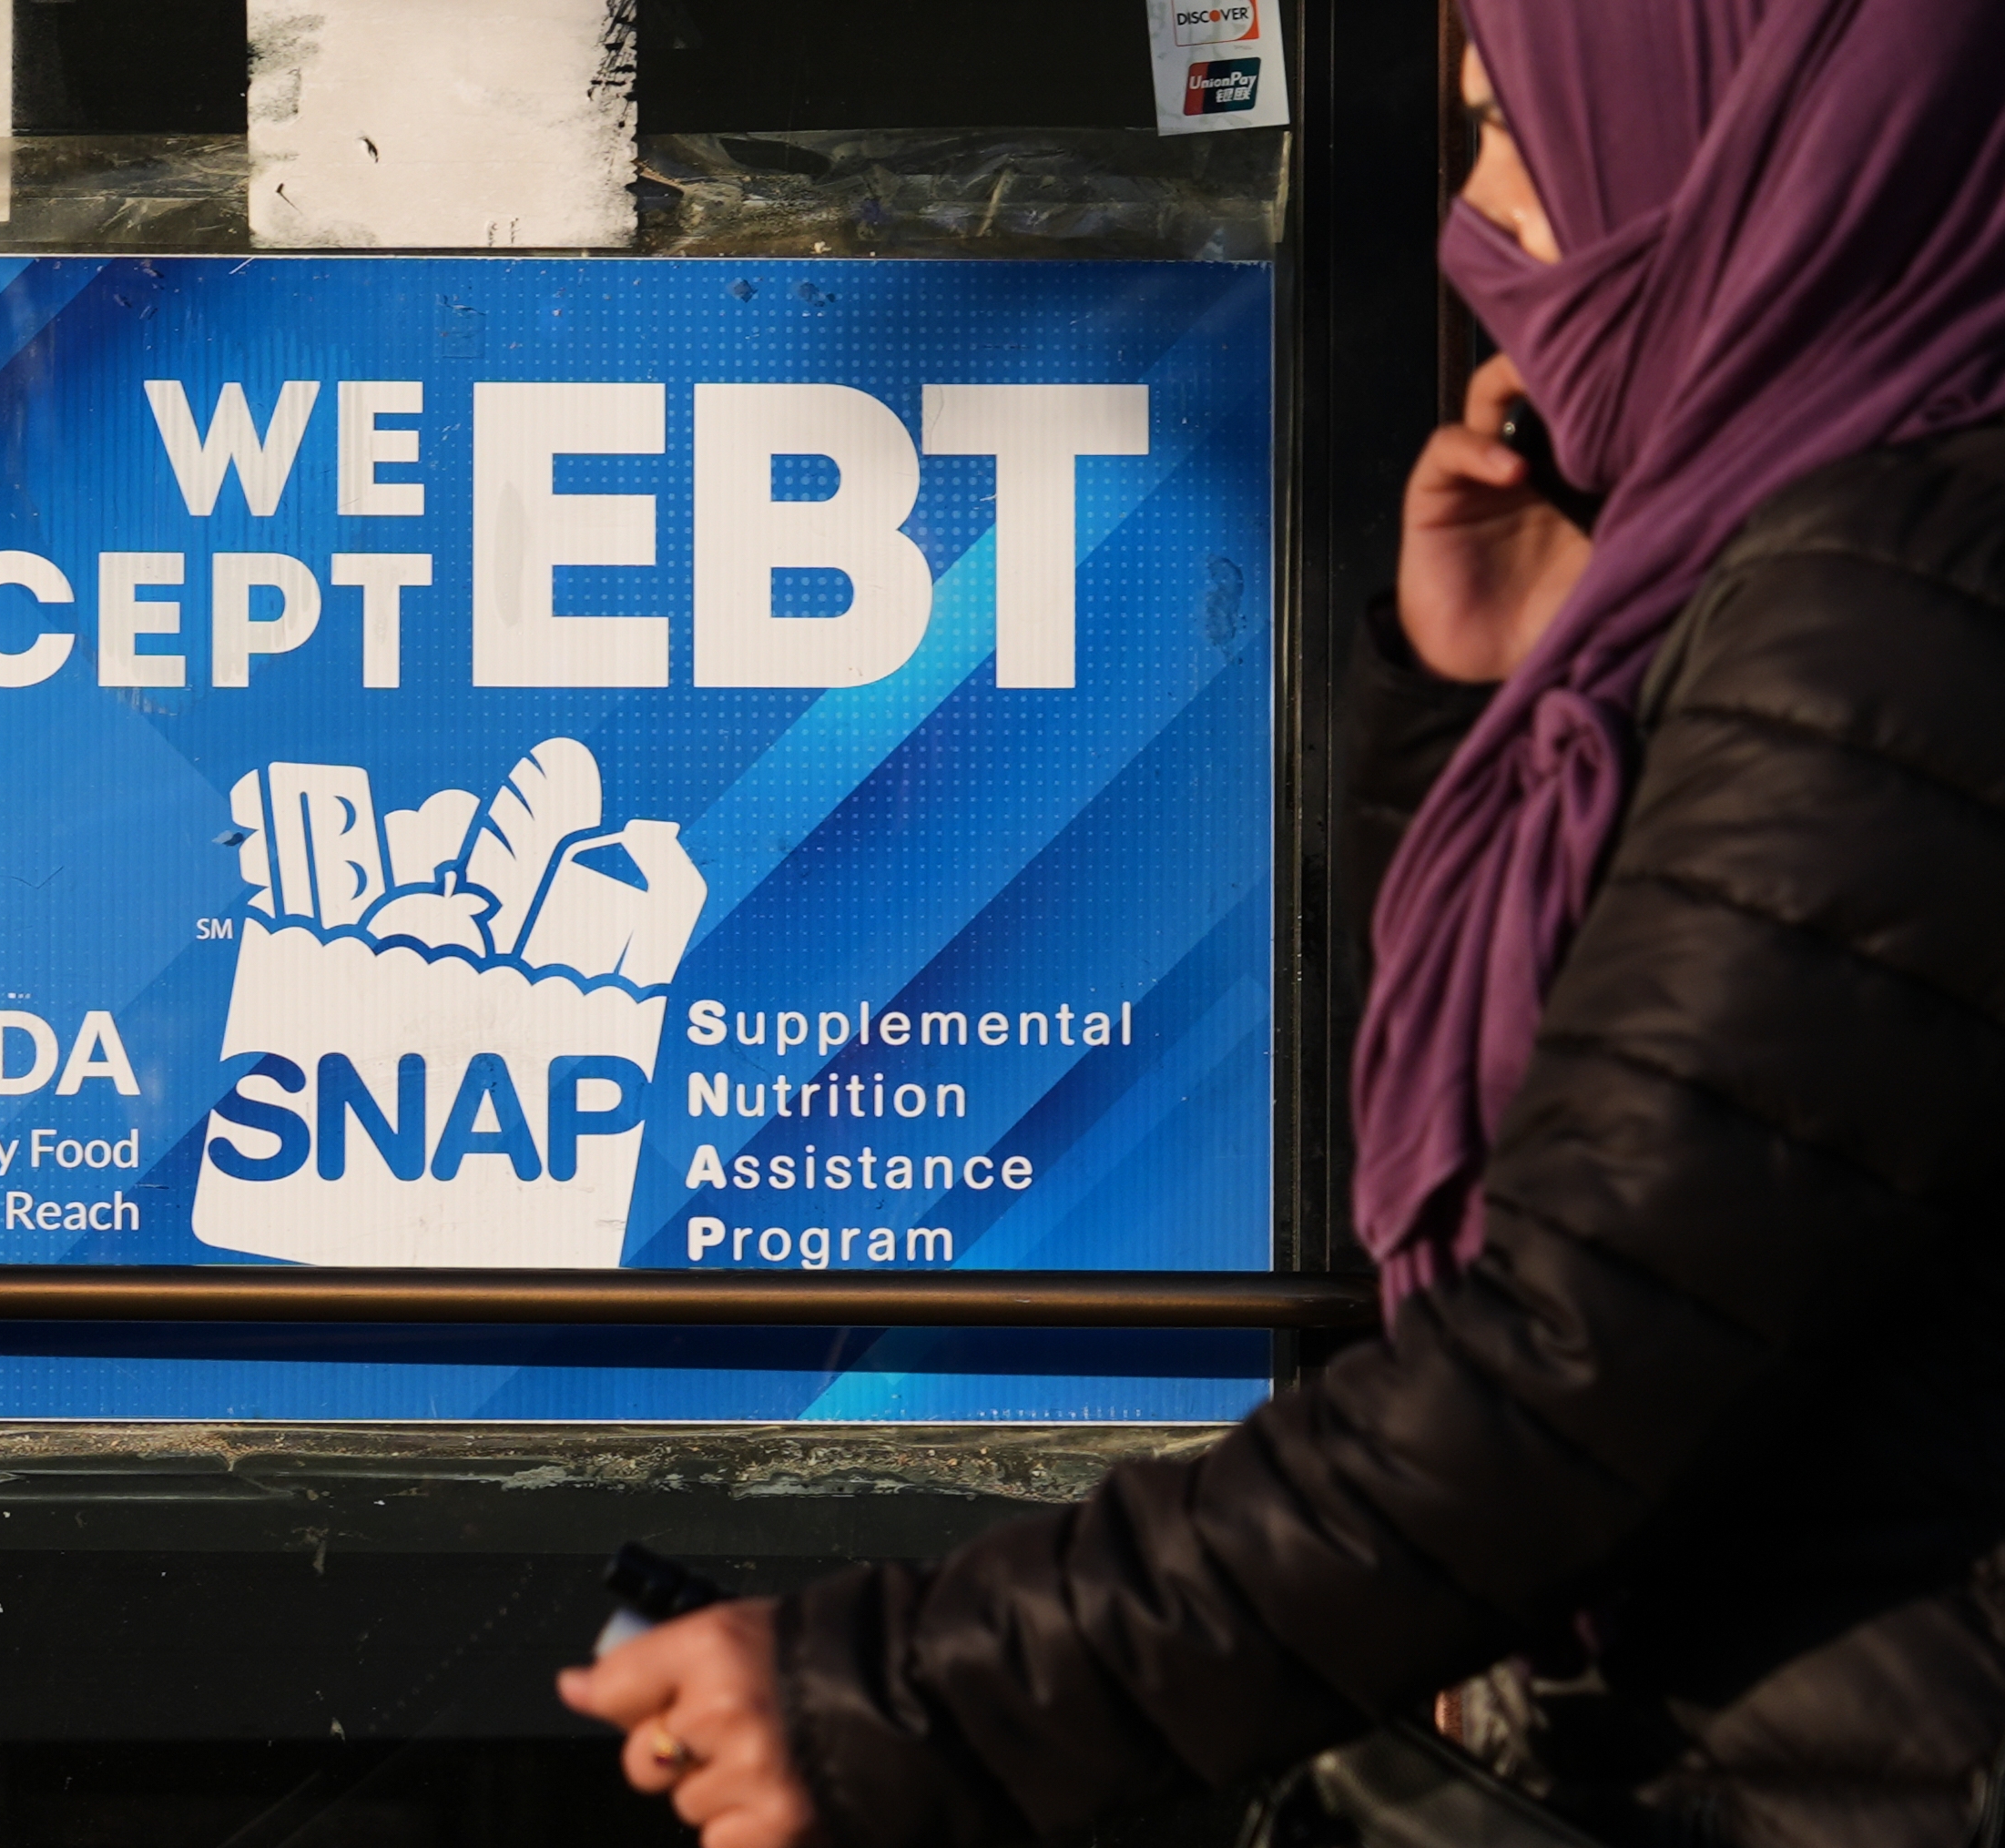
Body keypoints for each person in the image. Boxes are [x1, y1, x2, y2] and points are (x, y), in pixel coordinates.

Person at [559, 1, 2005, 1842]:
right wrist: (1478, 698)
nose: (1470, 217)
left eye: (1509, 135)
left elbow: (1555, 1380)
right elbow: (1538, 1163)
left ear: (1721, 149)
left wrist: (891, 1703)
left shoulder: (1877, 616)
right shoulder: (1788, 573)